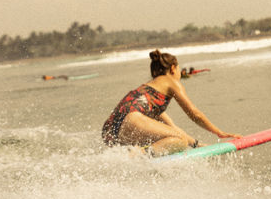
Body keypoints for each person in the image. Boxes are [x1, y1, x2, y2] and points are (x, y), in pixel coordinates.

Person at [101, 49, 241, 157]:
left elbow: (175, 130)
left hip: (110, 132)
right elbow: (194, 114)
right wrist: (219, 132)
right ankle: (138, 155)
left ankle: (135, 154)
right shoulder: (170, 81)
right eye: (179, 69)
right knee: (178, 141)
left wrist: (199, 146)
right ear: (173, 68)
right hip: (131, 121)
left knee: (175, 139)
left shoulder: (151, 94)